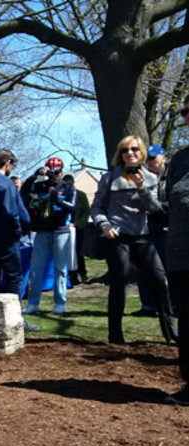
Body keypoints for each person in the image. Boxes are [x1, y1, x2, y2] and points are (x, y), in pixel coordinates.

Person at [90, 135, 176, 344]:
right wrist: (105, 225)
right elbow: (96, 207)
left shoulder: (149, 177)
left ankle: (171, 333)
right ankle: (115, 336)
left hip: (142, 236)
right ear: (120, 154)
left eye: (134, 150)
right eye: (125, 150)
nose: (130, 153)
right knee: (120, 281)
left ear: (142, 153)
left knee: (159, 280)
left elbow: (153, 209)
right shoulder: (109, 178)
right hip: (117, 234)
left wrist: (142, 188)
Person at [0, 149, 38, 332]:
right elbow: (11, 212)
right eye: (13, 165)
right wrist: (18, 231)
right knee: (14, 279)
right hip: (5, 240)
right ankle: (14, 319)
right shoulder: (4, 183)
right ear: (8, 163)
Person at [20, 157, 76, 315]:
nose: (54, 176)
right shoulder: (41, 185)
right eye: (51, 172)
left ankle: (60, 302)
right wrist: (35, 175)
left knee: (60, 268)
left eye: (57, 172)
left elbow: (72, 207)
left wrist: (57, 199)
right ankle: (33, 303)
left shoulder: (68, 187)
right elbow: (24, 192)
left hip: (61, 231)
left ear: (62, 171)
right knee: (36, 267)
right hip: (42, 231)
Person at [164, 96, 189, 405]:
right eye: (185, 112)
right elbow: (170, 201)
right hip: (180, 253)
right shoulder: (180, 159)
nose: (187, 117)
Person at [134, 144, 170, 317]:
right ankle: (148, 305)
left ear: (163, 157)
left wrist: (154, 207)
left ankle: (171, 306)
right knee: (145, 268)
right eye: (147, 160)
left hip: (166, 228)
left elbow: (170, 205)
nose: (150, 163)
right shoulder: (146, 179)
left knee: (167, 269)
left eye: (153, 159)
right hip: (146, 229)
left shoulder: (172, 178)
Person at [65, 174, 91, 285]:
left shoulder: (81, 195)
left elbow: (86, 212)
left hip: (78, 229)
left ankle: (83, 273)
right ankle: (72, 276)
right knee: (68, 254)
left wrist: (77, 224)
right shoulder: (63, 196)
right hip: (65, 229)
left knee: (78, 252)